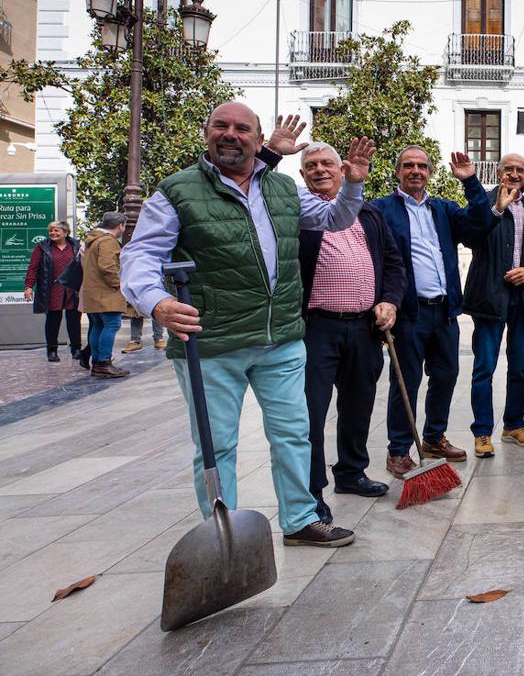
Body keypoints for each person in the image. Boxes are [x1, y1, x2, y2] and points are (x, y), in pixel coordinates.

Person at [121, 100, 373, 548]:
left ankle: (300, 519)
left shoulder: (282, 189)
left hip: (280, 339)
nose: (231, 134)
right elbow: (140, 255)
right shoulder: (177, 191)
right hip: (212, 341)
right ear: (207, 134)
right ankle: (226, 539)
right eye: (221, 125)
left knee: (295, 434)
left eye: (242, 128)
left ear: (258, 141)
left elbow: (334, 218)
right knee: (216, 447)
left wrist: (352, 186)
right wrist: (156, 302)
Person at [298, 142, 406, 524]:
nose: (319, 169)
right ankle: (311, 492)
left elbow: (394, 264)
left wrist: (390, 301)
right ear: (302, 176)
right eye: (311, 165)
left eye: (327, 163)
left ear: (342, 172)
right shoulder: (298, 216)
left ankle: (351, 472)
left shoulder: (370, 213)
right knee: (310, 412)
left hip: (364, 326)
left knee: (359, 403)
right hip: (316, 327)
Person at [371, 145, 495, 476]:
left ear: (429, 172)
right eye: (408, 165)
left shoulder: (443, 209)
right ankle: (398, 449)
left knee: (446, 376)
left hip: (444, 312)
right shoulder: (382, 209)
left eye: (422, 166)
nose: (415, 171)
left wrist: (471, 181)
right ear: (398, 171)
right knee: (405, 381)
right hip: (408, 313)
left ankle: (433, 437)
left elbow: (480, 225)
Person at [461, 153, 524, 456]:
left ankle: (513, 424)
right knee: (484, 367)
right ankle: (482, 432)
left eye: (520, 170)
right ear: (499, 172)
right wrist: (497, 210)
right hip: (489, 296)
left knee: (520, 366)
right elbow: (471, 237)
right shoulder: (483, 204)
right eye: (509, 169)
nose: (514, 174)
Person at [80, 212, 130, 379]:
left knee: (97, 326)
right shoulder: (108, 241)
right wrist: (119, 284)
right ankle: (104, 363)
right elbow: (108, 267)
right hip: (106, 293)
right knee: (112, 325)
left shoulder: (92, 240)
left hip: (92, 293)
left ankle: (97, 363)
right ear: (120, 226)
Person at [24, 220, 82, 363]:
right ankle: (52, 350)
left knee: (74, 320)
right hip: (52, 288)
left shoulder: (76, 245)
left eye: (56, 231)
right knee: (53, 320)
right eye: (51, 231)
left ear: (66, 232)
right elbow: (33, 268)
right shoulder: (42, 247)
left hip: (72, 288)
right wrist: (28, 286)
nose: (53, 233)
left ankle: (76, 349)